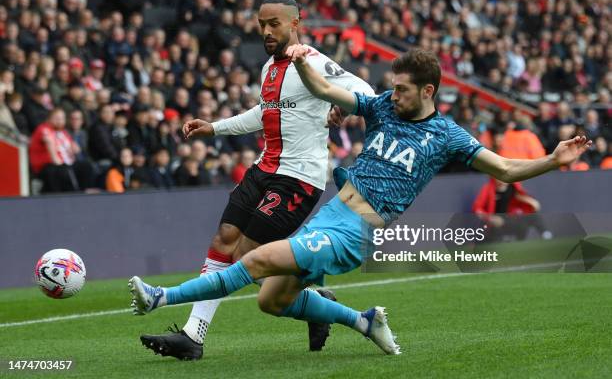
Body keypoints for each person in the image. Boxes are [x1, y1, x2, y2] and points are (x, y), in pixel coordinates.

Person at [129, 47, 592, 356]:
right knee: (271, 301)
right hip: (333, 212)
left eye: (405, 88)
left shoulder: (448, 134)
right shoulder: (384, 104)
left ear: (428, 91)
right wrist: (303, 62)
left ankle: (160, 298)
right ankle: (364, 320)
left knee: (259, 258)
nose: (394, 93)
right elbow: (331, 90)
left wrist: (553, 159)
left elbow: (507, 169)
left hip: (358, 230)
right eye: (394, 85)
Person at [138, 0, 374, 360]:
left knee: (247, 255)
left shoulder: (312, 61)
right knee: (224, 238)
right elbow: (262, 114)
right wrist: (213, 128)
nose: (266, 30)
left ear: (295, 24)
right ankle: (193, 336)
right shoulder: (268, 68)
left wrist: (338, 103)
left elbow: (365, 90)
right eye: (262, 23)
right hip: (264, 168)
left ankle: (310, 303)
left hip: (298, 180)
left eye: (274, 23)